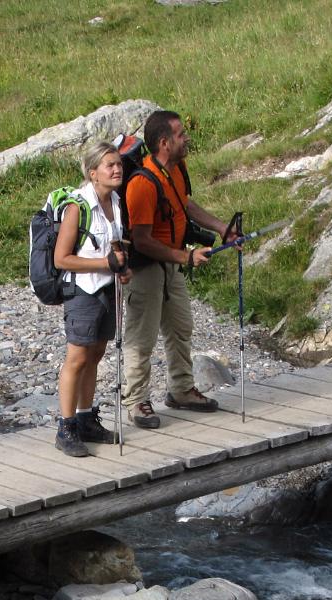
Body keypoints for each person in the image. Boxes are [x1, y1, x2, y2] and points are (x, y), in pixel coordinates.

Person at [122, 110, 237, 429]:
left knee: (180, 327)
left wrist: (222, 228)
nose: (186, 138)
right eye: (180, 134)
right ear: (164, 142)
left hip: (170, 264)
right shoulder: (141, 186)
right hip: (145, 269)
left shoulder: (176, 167)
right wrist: (184, 257)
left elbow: (184, 203)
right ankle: (135, 401)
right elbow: (142, 240)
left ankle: (181, 390)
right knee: (141, 338)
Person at [53, 141, 131, 457]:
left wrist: (123, 268)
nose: (117, 169)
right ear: (92, 172)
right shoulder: (78, 207)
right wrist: (105, 265)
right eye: (110, 165)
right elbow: (62, 259)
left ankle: (86, 418)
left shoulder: (114, 199)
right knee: (77, 357)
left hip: (108, 288)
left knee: (96, 352)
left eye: (118, 164)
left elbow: (114, 245)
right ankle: (66, 427)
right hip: (82, 291)